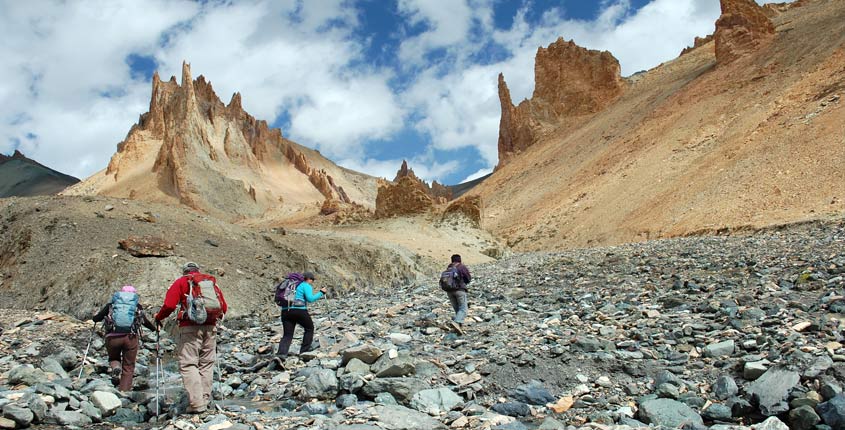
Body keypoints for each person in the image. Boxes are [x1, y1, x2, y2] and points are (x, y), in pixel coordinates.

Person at [154, 262, 227, 414]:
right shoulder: (210, 284)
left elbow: (169, 305)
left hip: (189, 327)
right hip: (211, 326)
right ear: (198, 271)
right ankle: (205, 399)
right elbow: (224, 307)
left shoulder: (182, 282)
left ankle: (197, 403)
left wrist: (159, 317)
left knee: (189, 363)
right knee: (206, 364)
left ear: (185, 272)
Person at [91, 285, 157, 391]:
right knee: (128, 366)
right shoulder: (136, 306)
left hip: (112, 338)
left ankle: (116, 367)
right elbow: (145, 321)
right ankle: (124, 391)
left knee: (113, 358)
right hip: (130, 338)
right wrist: (154, 329)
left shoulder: (111, 305)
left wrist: (94, 319)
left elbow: (97, 318)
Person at [277, 271, 326, 360]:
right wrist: (321, 293)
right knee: (309, 328)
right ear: (309, 279)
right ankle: (304, 352)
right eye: (312, 280)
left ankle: (281, 354)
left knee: (287, 335)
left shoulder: (290, 285)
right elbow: (310, 299)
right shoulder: (305, 285)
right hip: (299, 310)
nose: (312, 282)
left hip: (285, 311)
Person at [445, 254, 471, 334]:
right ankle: (456, 322)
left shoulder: (449, 268)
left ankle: (459, 326)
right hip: (459, 290)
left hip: (449, 291)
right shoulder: (461, 267)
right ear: (460, 260)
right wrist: (463, 283)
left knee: (457, 309)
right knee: (463, 309)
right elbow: (468, 278)